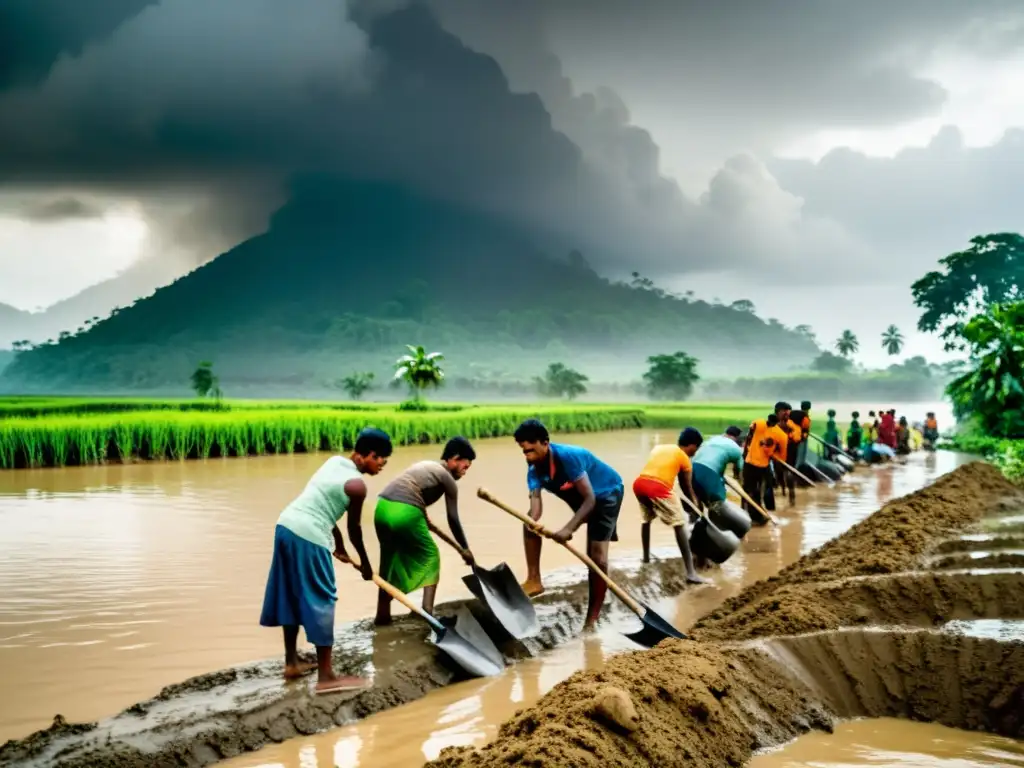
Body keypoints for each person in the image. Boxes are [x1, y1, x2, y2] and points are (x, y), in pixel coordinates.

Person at [260, 427, 392, 694]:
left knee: (291, 593)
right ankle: (326, 677)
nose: (381, 467)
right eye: (380, 460)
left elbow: (323, 504)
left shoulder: (334, 463)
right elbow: (355, 529)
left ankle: (292, 663)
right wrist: (366, 565)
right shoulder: (357, 485)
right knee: (323, 597)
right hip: (309, 535)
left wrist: (339, 547)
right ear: (366, 455)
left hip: (286, 525)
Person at [514, 419, 624, 630]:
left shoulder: (567, 457)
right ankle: (534, 579)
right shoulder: (533, 469)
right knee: (526, 522)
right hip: (579, 496)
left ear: (545, 443)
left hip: (605, 493)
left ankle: (592, 620)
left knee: (597, 556)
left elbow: (590, 499)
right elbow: (535, 506)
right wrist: (532, 522)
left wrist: (568, 529)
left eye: (531, 449)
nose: (528, 455)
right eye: (524, 451)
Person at [373, 436, 477, 625]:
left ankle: (382, 615)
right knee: (431, 556)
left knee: (388, 564)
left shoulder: (427, 466)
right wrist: (465, 548)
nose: (464, 472)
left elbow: (413, 493)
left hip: (382, 509)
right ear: (454, 459)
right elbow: (453, 518)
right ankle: (427, 611)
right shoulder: (448, 480)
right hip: (405, 511)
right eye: (465, 467)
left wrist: (423, 517)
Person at [632, 427, 709, 584]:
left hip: (639, 484)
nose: (696, 451)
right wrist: (696, 505)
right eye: (697, 447)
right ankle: (691, 573)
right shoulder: (685, 459)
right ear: (692, 445)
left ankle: (645, 559)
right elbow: (686, 487)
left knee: (646, 520)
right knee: (679, 523)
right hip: (658, 487)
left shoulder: (660, 448)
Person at [693, 425, 759, 521]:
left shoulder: (712, 439)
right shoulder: (737, 449)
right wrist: (745, 490)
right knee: (718, 504)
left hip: (692, 469)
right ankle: (718, 526)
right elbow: (742, 474)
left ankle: (697, 521)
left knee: (698, 499)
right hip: (709, 472)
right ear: (736, 438)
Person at [742, 407, 789, 519]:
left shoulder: (760, 424)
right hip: (757, 464)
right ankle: (756, 513)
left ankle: (753, 512)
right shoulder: (779, 434)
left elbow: (749, 436)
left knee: (752, 489)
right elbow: (782, 456)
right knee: (756, 489)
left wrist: (772, 454)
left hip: (755, 463)